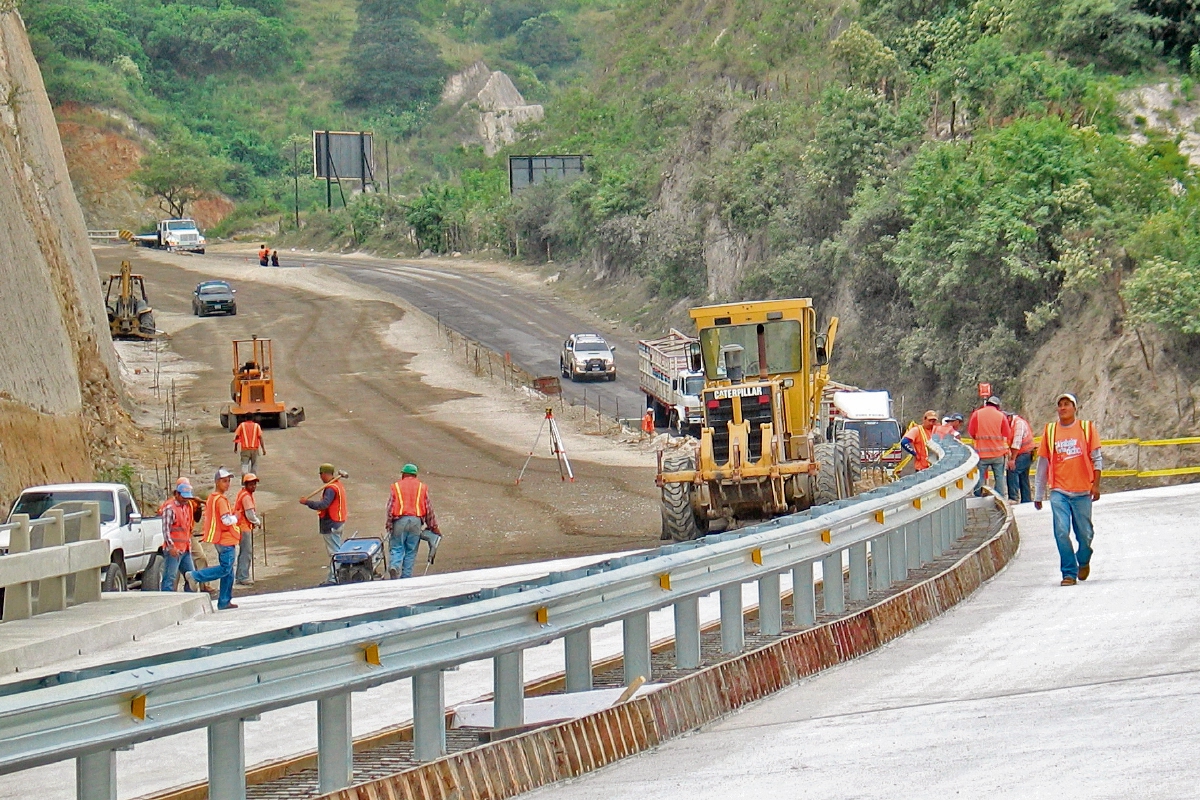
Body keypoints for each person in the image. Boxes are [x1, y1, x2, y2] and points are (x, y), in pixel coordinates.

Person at [1034, 393, 1102, 586]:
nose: (1063, 408)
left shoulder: (1087, 429)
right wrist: (1039, 494)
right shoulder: (1051, 431)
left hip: (1082, 491)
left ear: (1075, 408)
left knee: (1086, 534)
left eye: (1067, 404)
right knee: (1061, 531)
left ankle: (1084, 558)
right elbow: (1043, 464)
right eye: (1060, 405)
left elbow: (1097, 459)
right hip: (1059, 491)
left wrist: (1096, 485)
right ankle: (1069, 573)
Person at [186, 468, 240, 609]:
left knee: (229, 572)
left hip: (221, 539)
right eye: (224, 481)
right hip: (225, 539)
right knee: (225, 569)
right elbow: (226, 520)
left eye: (228, 481)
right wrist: (237, 517)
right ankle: (195, 576)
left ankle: (224, 601)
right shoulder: (220, 500)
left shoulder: (213, 498)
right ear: (217, 482)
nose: (227, 484)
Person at [385, 463, 442, 579]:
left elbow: (390, 507)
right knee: (411, 551)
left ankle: (395, 566)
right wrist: (434, 527)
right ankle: (406, 577)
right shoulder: (422, 487)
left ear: (403, 474)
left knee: (397, 547)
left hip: (399, 521)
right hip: (416, 522)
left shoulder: (396, 486)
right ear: (415, 474)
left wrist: (389, 524)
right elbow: (428, 509)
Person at [300, 463, 347, 585]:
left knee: (335, 553)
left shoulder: (331, 488)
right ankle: (335, 576)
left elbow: (324, 505)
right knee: (336, 551)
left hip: (331, 524)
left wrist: (307, 502)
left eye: (321, 474)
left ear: (325, 474)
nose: (320, 477)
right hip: (338, 522)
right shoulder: (337, 486)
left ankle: (333, 579)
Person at [967, 395, 1013, 496]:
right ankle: (999, 498)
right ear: (997, 406)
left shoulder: (976, 414)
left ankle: (978, 497)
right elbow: (1007, 434)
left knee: (979, 477)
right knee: (999, 477)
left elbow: (971, 432)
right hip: (998, 453)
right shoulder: (1001, 416)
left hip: (982, 454)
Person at [160, 482, 196, 592]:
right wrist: (171, 547)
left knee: (192, 577)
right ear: (177, 494)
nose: (186, 499)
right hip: (174, 550)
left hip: (184, 549)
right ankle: (167, 601)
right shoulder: (170, 508)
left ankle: (188, 600)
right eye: (184, 497)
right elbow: (166, 529)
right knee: (169, 578)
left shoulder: (185, 507)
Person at [234, 473, 261, 586]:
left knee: (244, 552)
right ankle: (243, 576)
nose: (253, 486)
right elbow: (249, 514)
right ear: (246, 484)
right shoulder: (246, 497)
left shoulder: (243, 493)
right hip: (244, 527)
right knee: (246, 551)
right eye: (251, 484)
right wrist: (257, 522)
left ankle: (241, 575)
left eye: (254, 484)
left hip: (241, 526)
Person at [1007, 411, 1036, 503]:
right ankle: (1026, 501)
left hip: (1026, 453)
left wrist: (1012, 460)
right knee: (1023, 477)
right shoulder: (1012, 424)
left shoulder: (1018, 424)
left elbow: (1016, 443)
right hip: (1025, 453)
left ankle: (1013, 498)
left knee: (1012, 470)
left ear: (1009, 417)